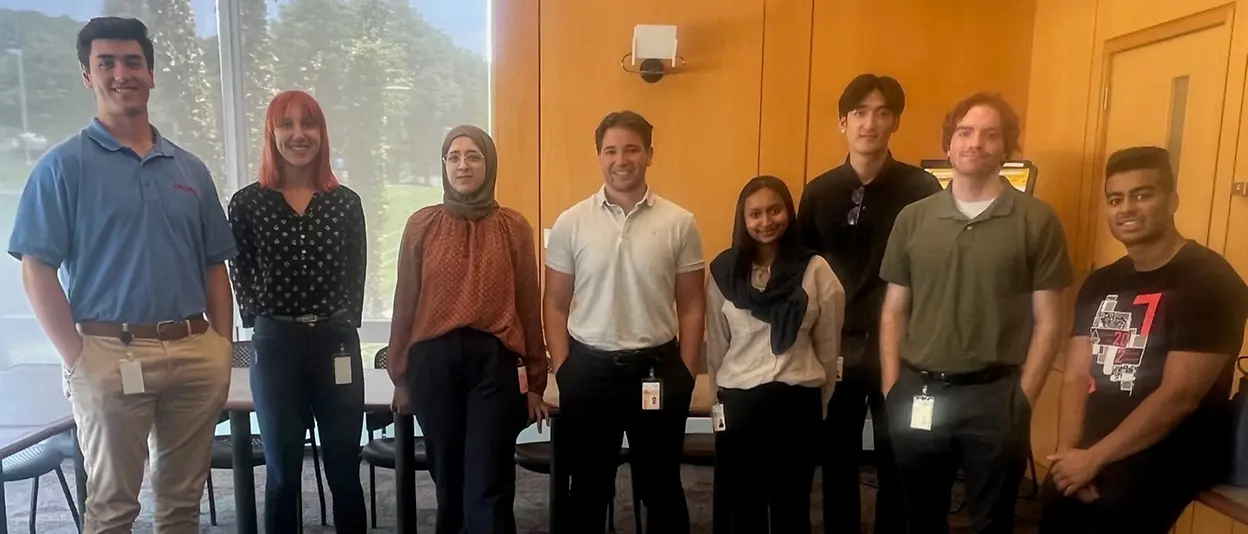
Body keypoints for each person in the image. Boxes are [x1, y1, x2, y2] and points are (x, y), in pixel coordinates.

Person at [7, 17, 236, 532]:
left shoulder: (188, 169)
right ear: (88, 76)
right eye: (105, 63)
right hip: (109, 353)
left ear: (150, 74)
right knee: (112, 507)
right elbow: (37, 269)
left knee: (182, 504)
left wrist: (221, 346)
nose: (121, 73)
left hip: (193, 351)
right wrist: (78, 357)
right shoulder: (63, 167)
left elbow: (214, 265)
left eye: (132, 62)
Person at [878, 92, 1073, 534]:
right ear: (949, 144)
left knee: (992, 521)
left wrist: (1023, 397)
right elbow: (894, 309)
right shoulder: (913, 218)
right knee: (920, 518)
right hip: (919, 391)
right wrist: (892, 388)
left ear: (1007, 147)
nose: (975, 143)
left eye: (990, 134)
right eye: (965, 132)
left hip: (995, 396)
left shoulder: (1036, 220)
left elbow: (1050, 321)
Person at [1039, 146, 1248, 533]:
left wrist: (1096, 457)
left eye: (1143, 194)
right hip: (1100, 441)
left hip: (1172, 447)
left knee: (1113, 509)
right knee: (1055, 498)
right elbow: (1073, 375)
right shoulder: (1101, 282)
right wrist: (1069, 454)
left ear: (1172, 201)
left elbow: (1179, 398)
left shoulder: (1210, 282)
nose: (1127, 208)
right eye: (1116, 199)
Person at [545, 110, 705, 533]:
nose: (621, 159)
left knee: (661, 487)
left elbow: (691, 305)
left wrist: (686, 373)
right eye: (611, 150)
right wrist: (564, 368)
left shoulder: (679, 223)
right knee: (589, 489)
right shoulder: (571, 222)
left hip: (657, 371)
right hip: (588, 371)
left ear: (649, 154)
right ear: (599, 157)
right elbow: (555, 303)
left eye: (632, 149)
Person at [797, 73, 941, 534]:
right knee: (836, 455)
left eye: (881, 113)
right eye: (859, 112)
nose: (870, 123)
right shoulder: (819, 192)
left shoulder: (921, 189)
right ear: (843, 122)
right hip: (835, 344)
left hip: (902, 344)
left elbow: (933, 270)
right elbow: (803, 270)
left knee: (897, 452)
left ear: (895, 121)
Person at [387, 125, 547, 534]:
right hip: (433, 364)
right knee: (449, 479)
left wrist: (535, 382)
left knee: (489, 479)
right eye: (454, 156)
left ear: (489, 164)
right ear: (443, 165)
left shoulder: (514, 227)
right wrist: (400, 377)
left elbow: (528, 304)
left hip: (496, 365)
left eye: (473, 155)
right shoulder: (422, 225)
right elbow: (405, 303)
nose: (463, 164)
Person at [227, 89, 368, 532]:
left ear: (322, 134)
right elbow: (240, 270)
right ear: (272, 134)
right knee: (283, 473)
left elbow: (356, 271)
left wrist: (342, 321)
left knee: (344, 468)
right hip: (276, 345)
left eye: (308, 124)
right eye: (286, 125)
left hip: (336, 342)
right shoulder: (248, 203)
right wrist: (261, 319)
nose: (298, 135)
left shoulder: (345, 202)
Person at [706, 175, 845, 533]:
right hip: (740, 403)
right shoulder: (724, 273)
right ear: (743, 219)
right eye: (755, 214)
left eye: (774, 210)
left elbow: (828, 348)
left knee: (791, 508)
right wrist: (717, 405)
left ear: (788, 212)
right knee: (743, 509)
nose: (765, 221)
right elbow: (718, 349)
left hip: (795, 402)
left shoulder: (816, 272)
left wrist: (822, 402)